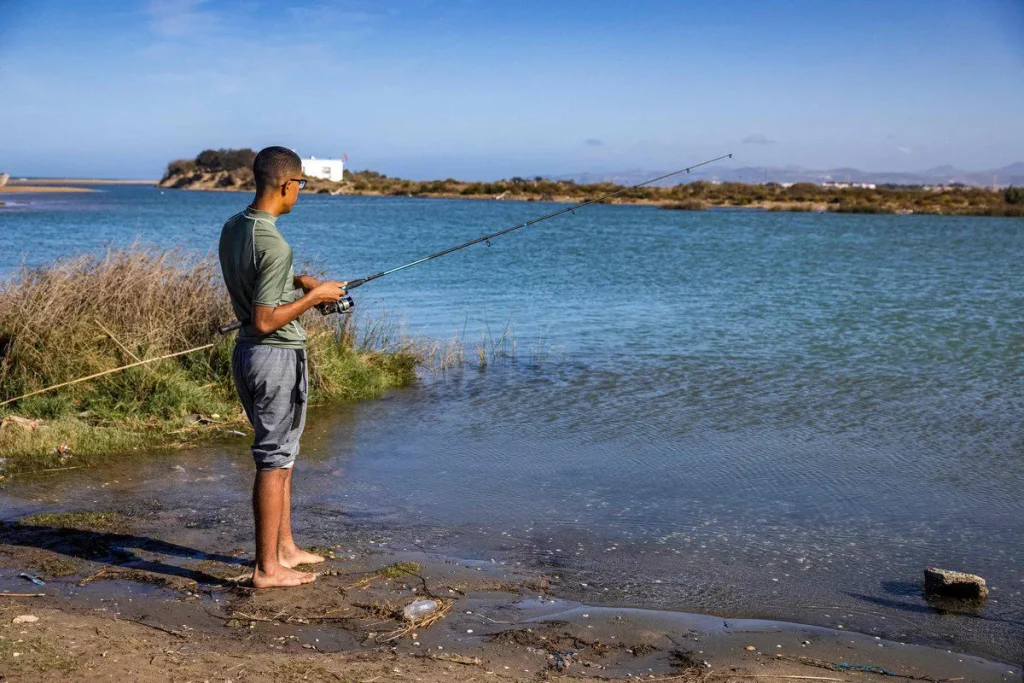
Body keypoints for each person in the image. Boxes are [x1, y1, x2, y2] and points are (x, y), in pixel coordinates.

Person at [218, 146, 347, 588]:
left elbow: (255, 276)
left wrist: (298, 280)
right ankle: (266, 569)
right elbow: (264, 319)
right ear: (287, 185)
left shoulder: (236, 226)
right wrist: (315, 297)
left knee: (283, 455)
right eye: (301, 185)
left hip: (248, 356)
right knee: (273, 461)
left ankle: (285, 550)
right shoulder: (274, 243)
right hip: (274, 357)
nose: (300, 192)